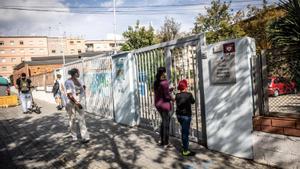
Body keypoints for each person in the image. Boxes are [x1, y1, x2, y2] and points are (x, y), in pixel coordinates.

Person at [64, 68, 90, 143]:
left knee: (81, 119)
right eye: (78, 72)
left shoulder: (79, 80)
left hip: (79, 101)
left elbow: (82, 88)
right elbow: (69, 95)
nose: (79, 74)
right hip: (71, 103)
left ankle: (85, 137)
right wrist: (76, 103)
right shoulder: (68, 82)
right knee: (72, 119)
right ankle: (74, 136)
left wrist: (82, 89)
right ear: (75, 73)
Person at [154, 67, 174, 147]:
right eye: (165, 72)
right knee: (166, 124)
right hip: (164, 105)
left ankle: (162, 140)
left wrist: (169, 90)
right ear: (163, 73)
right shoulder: (164, 82)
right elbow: (166, 96)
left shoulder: (156, 82)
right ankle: (165, 142)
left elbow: (161, 92)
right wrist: (172, 98)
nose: (166, 74)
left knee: (163, 122)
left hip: (158, 104)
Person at [175, 79, 196, 156]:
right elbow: (193, 102)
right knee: (185, 133)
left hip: (179, 116)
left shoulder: (177, 95)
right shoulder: (189, 95)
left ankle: (184, 145)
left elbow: (177, 102)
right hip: (186, 116)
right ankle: (185, 151)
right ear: (186, 86)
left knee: (184, 131)